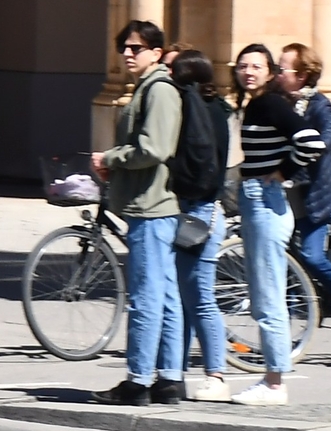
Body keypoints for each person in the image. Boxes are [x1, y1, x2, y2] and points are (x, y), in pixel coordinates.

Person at [89, 20, 183, 405]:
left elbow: (155, 147)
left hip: (152, 206)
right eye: (124, 48)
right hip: (152, 205)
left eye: (136, 48)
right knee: (165, 295)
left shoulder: (159, 90)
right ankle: (169, 379)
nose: (128, 54)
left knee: (146, 296)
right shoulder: (150, 88)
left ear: (156, 53)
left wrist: (112, 157)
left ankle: (139, 380)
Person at [231, 43, 319, 404]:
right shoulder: (254, 105)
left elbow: (312, 142)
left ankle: (274, 383)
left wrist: (284, 171)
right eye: (242, 66)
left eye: (257, 66)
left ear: (269, 72)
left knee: (268, 296)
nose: (248, 72)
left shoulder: (269, 104)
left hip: (264, 203)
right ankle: (272, 378)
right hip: (258, 201)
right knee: (264, 294)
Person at [279, 43, 331, 348]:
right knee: (282, 258)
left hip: (316, 193)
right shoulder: (279, 104)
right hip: (286, 192)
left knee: (312, 256)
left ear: (302, 76)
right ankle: (283, 331)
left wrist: (313, 148)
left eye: (282, 69)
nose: (277, 75)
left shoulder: (318, 104)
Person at [161, 50, 233, 400]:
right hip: (204, 210)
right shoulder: (219, 109)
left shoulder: (190, 108)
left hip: (196, 212)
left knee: (199, 298)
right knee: (188, 296)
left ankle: (216, 375)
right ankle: (177, 371)